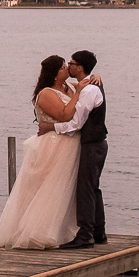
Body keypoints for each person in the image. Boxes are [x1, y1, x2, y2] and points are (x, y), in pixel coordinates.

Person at [0, 54, 93, 248]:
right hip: (53, 145)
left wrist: (95, 78)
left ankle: (66, 231)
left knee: (65, 190)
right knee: (47, 188)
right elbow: (64, 115)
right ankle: (37, 232)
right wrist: (79, 94)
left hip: (71, 144)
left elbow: (86, 87)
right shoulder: (46, 93)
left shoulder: (70, 87)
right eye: (63, 67)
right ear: (55, 74)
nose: (67, 70)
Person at [38, 49, 107, 248]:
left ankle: (86, 235)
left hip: (92, 143)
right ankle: (98, 232)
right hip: (94, 142)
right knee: (92, 187)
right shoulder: (87, 86)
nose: (69, 66)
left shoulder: (88, 91)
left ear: (80, 67)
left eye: (72, 63)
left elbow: (76, 123)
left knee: (86, 189)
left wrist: (51, 127)